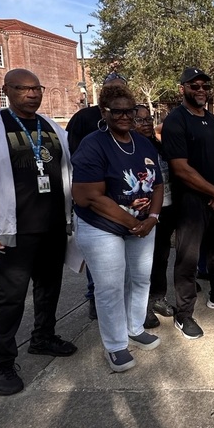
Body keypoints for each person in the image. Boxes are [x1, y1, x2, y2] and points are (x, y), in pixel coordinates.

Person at [0, 68, 77, 396]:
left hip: (51, 226)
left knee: (50, 288)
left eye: (37, 88)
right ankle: (0, 363)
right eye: (23, 89)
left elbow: (69, 172)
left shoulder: (52, 126)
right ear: (5, 90)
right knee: (10, 297)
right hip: (13, 231)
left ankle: (43, 337)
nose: (32, 94)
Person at [71, 83, 163, 372]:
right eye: (117, 111)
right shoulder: (93, 144)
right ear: (104, 112)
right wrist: (133, 222)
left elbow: (158, 184)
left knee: (140, 279)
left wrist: (153, 218)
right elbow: (88, 196)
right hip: (102, 228)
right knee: (109, 288)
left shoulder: (144, 142)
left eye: (130, 112)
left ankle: (135, 327)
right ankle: (115, 345)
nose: (125, 117)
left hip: (142, 225)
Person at [160, 68, 214, 340]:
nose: (201, 91)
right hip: (190, 203)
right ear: (182, 88)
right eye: (195, 86)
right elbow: (180, 168)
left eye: (205, 86)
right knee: (188, 259)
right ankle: (184, 315)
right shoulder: (176, 120)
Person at [66, 71, 129, 320]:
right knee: (99, 259)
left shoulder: (127, 117)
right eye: (111, 89)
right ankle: (95, 298)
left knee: (124, 258)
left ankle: (122, 300)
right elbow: (72, 155)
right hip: (96, 199)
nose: (116, 93)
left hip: (125, 198)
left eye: (120, 88)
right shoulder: (84, 118)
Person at [132, 105, 177, 329]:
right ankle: (142, 308)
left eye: (148, 119)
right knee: (143, 263)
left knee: (161, 257)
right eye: (140, 120)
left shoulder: (159, 146)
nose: (147, 123)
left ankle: (158, 298)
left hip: (166, 208)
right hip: (145, 213)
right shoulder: (131, 148)